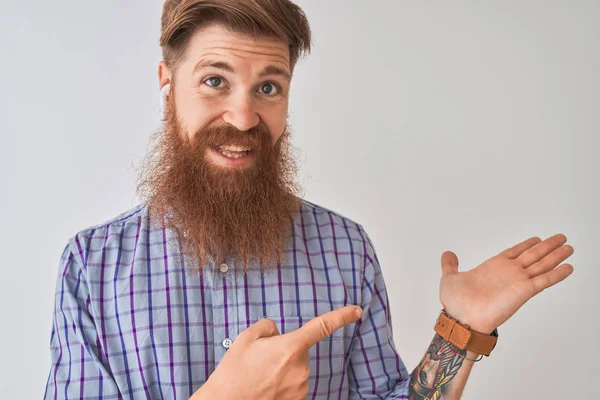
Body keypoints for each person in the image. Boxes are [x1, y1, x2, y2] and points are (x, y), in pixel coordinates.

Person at [43, 1, 575, 399]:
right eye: (214, 81)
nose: (244, 116)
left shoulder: (346, 249)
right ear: (168, 82)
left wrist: (460, 332)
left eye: (268, 88)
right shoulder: (91, 269)